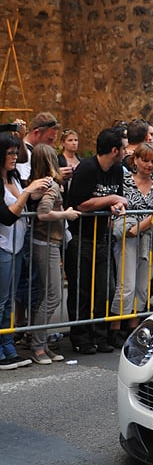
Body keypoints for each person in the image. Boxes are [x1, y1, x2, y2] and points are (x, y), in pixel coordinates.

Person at [64, 127, 128, 355]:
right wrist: (111, 199)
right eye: (123, 147)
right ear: (114, 150)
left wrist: (114, 205)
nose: (125, 151)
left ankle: (99, 335)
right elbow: (81, 203)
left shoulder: (117, 170)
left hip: (103, 237)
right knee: (81, 290)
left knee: (105, 290)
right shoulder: (87, 168)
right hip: (81, 238)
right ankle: (80, 337)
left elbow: (115, 199)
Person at [109, 143, 153, 345]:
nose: (149, 165)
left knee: (143, 285)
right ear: (135, 160)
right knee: (126, 283)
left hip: (148, 236)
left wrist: (141, 226)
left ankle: (133, 325)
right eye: (145, 160)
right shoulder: (124, 181)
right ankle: (116, 327)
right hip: (128, 236)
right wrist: (133, 227)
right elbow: (116, 205)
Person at [0, 133, 50, 369]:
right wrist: (28, 192)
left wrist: (40, 189)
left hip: (16, 246)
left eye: (15, 153)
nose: (15, 158)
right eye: (10, 153)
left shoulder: (15, 176)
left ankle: (8, 345)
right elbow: (8, 215)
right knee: (1, 301)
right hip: (2, 246)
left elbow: (24, 204)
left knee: (9, 301)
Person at [29, 145, 79, 364]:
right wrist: (65, 213)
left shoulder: (42, 182)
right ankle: (38, 346)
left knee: (45, 294)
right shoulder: (51, 185)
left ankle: (42, 343)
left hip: (47, 242)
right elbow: (43, 213)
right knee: (53, 296)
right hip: (46, 243)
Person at [57, 128, 81, 199]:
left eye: (76, 140)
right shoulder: (58, 160)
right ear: (63, 143)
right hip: (64, 194)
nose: (74, 143)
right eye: (70, 140)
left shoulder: (81, 160)